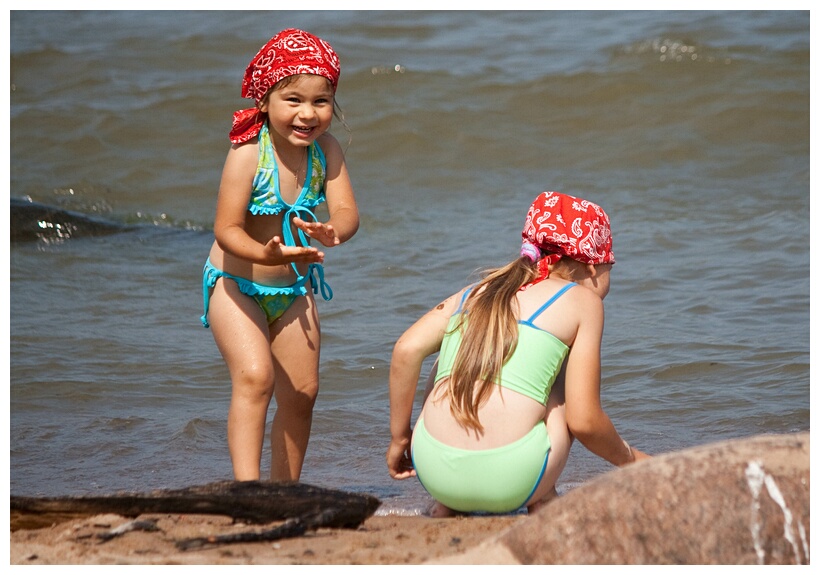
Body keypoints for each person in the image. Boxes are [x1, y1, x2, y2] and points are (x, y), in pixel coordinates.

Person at [387, 191, 649, 516]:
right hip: (515, 481)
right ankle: (543, 497)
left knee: (451, 360)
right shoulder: (585, 303)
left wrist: (401, 438)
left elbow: (406, 350)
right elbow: (584, 421)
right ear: (594, 266)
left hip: (433, 470)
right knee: (559, 383)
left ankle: (448, 505)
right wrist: (632, 460)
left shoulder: (477, 292)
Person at [201, 29, 359, 482]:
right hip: (235, 284)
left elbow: (348, 212)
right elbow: (226, 229)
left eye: (321, 101)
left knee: (303, 392)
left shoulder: (326, 151)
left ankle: (283, 489)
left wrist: (333, 231)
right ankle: (248, 489)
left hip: (292, 287)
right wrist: (265, 255)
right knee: (255, 378)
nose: (308, 114)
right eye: (293, 99)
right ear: (265, 100)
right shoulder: (250, 153)